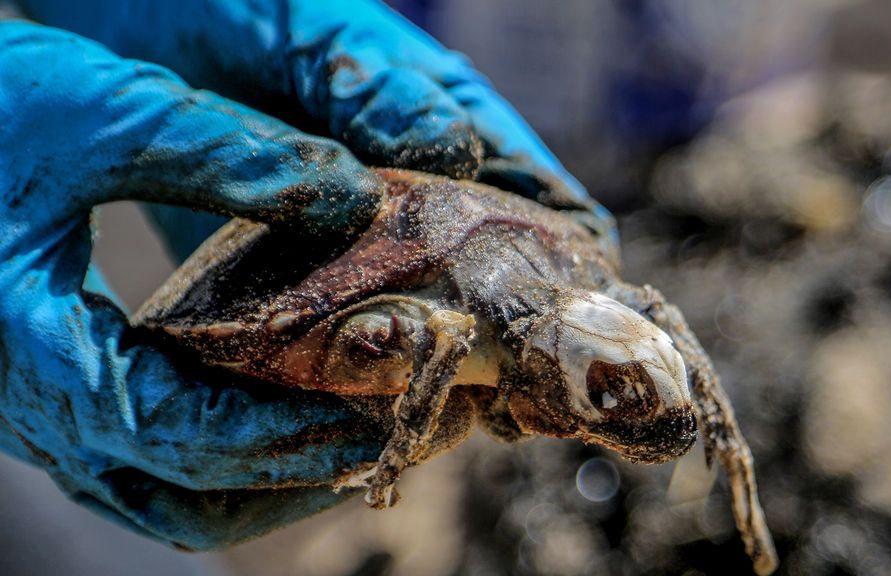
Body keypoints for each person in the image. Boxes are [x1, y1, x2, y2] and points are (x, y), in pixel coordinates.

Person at [0, 0, 612, 551]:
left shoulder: (580, 269)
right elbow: (404, 338)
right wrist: (397, 451)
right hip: (268, 294)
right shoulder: (450, 329)